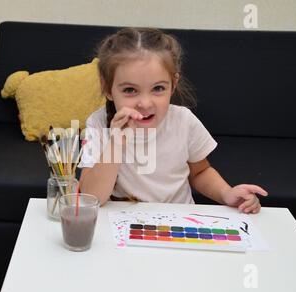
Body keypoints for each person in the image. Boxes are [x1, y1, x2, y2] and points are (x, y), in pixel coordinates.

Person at [78, 27, 267, 213]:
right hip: (125, 225)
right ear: (107, 88)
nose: (145, 103)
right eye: (129, 90)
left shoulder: (183, 121)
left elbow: (200, 172)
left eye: (158, 88)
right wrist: (116, 143)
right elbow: (92, 197)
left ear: (173, 84)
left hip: (178, 223)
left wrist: (226, 193)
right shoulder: (98, 124)